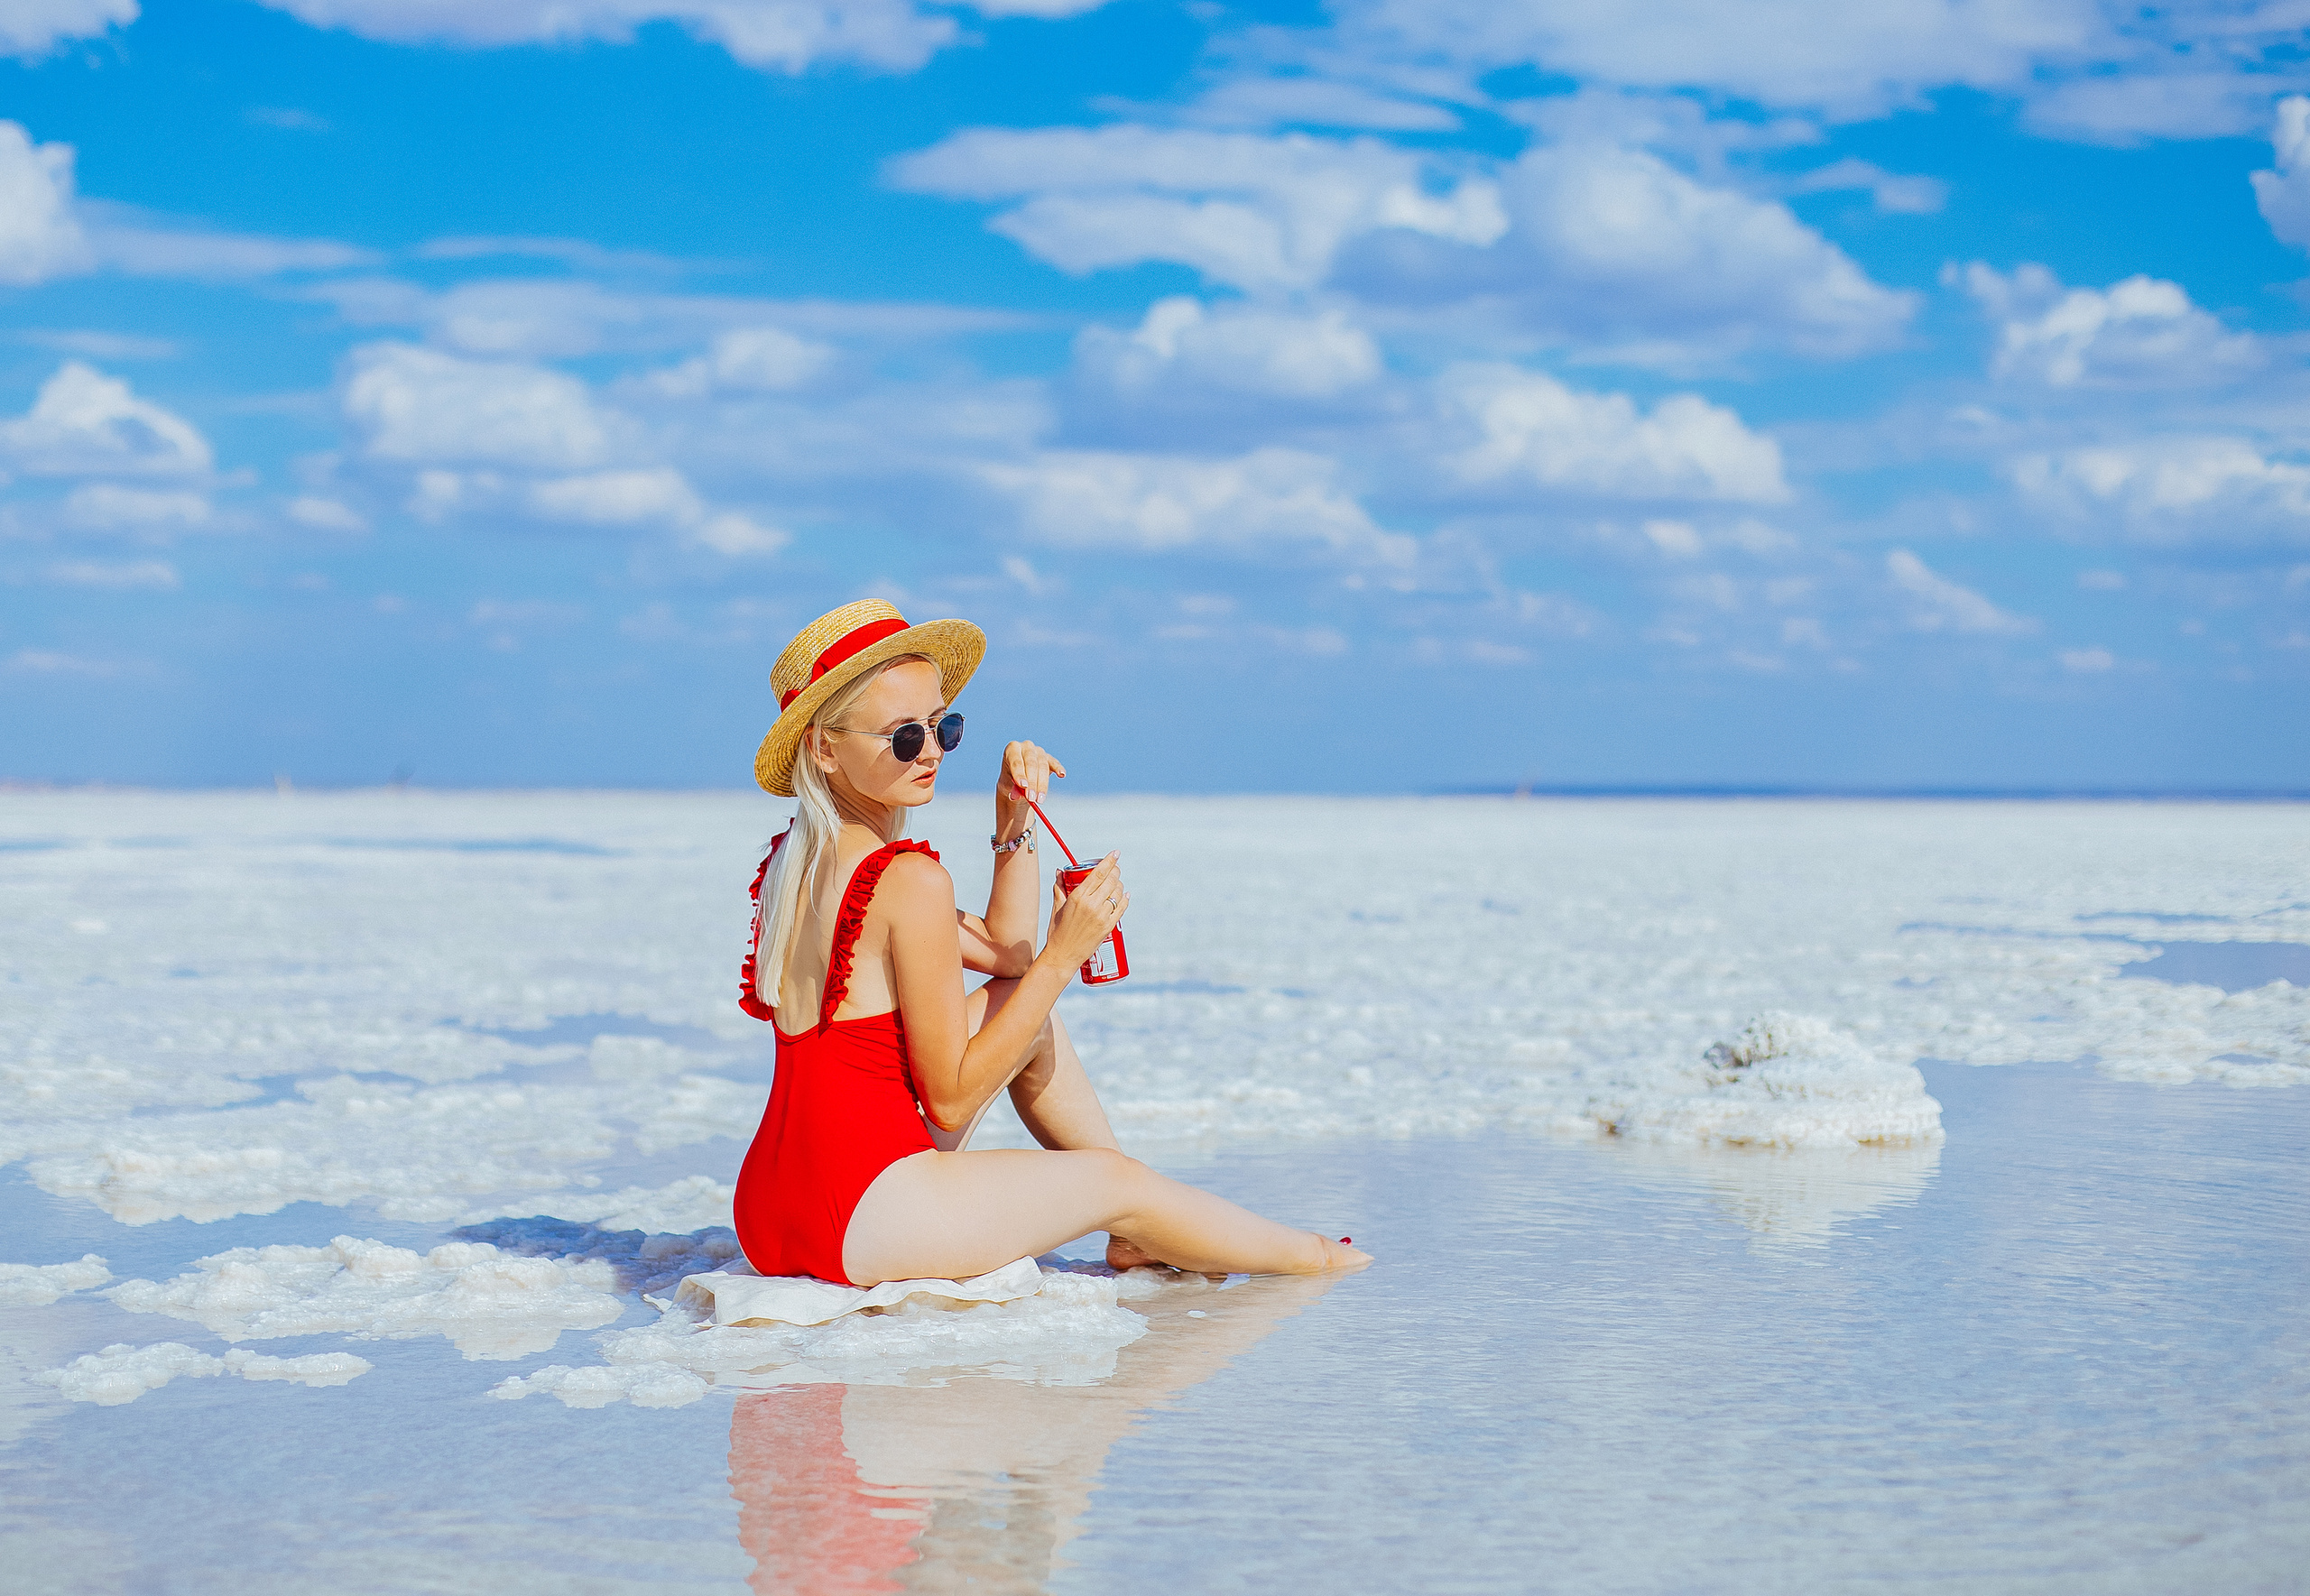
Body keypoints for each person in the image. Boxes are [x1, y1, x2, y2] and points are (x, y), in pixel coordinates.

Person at [731, 598, 1369, 1287]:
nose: (935, 752)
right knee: (1117, 1181)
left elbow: (1007, 957)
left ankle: (1136, 1239)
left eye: (944, 726)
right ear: (825, 748)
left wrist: (1013, 821)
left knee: (1019, 1005)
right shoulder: (908, 880)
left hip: (770, 1208)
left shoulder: (794, 863)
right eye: (905, 738)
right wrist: (1066, 952)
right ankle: (1319, 1256)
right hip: (862, 1209)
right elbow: (948, 1099)